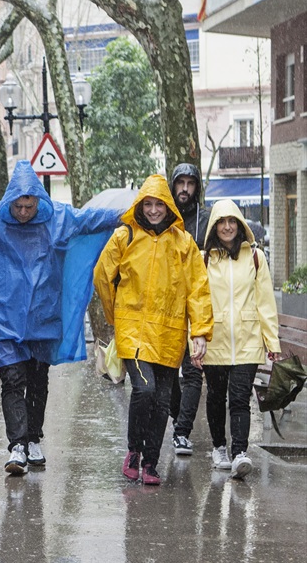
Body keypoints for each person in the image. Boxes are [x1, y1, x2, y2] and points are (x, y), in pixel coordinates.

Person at [0, 160, 121, 475]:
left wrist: (123, 216)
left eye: (28, 205)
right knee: (12, 379)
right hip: (3, 318)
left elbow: (88, 220)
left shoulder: (57, 219)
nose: (23, 211)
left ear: (38, 200)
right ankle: (17, 445)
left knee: (37, 380)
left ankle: (34, 438)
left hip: (43, 316)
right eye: (18, 205)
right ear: (10, 201)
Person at [93, 175, 213, 486]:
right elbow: (103, 276)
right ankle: (134, 451)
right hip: (133, 331)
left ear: (169, 205)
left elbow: (198, 289)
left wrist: (199, 331)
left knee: (162, 400)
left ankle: (151, 462)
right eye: (148, 203)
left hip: (170, 333)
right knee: (144, 390)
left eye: (160, 203)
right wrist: (115, 315)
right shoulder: (125, 236)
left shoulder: (184, 243)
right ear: (140, 205)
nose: (154, 209)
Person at [202, 199, 281, 479]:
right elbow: (197, 303)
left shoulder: (255, 257)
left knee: (239, 397)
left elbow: (265, 302)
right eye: (221, 222)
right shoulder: (205, 259)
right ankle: (219, 447)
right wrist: (195, 340)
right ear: (214, 226)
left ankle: (239, 453)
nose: (227, 227)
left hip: (247, 340)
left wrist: (272, 342)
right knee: (215, 397)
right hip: (215, 341)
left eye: (232, 221)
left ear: (240, 224)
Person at [167, 163, 211, 456]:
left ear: (197, 187)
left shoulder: (207, 219)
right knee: (168, 372)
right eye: (180, 183)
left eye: (190, 183)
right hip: (167, 308)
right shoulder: (163, 216)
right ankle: (176, 416)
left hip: (196, 305)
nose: (185, 189)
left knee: (193, 371)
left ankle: (182, 431)